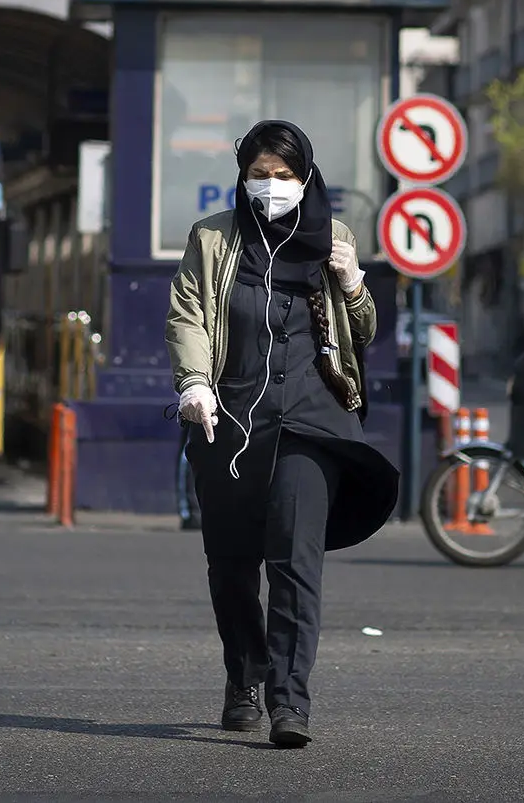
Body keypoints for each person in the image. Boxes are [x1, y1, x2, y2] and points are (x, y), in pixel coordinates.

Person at [165, 119, 400, 748]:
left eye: (285, 176)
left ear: (307, 177)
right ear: (243, 176)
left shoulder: (336, 236)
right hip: (231, 415)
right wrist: (193, 384)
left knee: (296, 562)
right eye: (260, 175)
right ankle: (244, 674)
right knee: (232, 560)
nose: (272, 186)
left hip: (313, 420)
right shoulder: (213, 237)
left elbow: (365, 329)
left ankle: (290, 701)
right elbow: (188, 310)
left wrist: (352, 281)